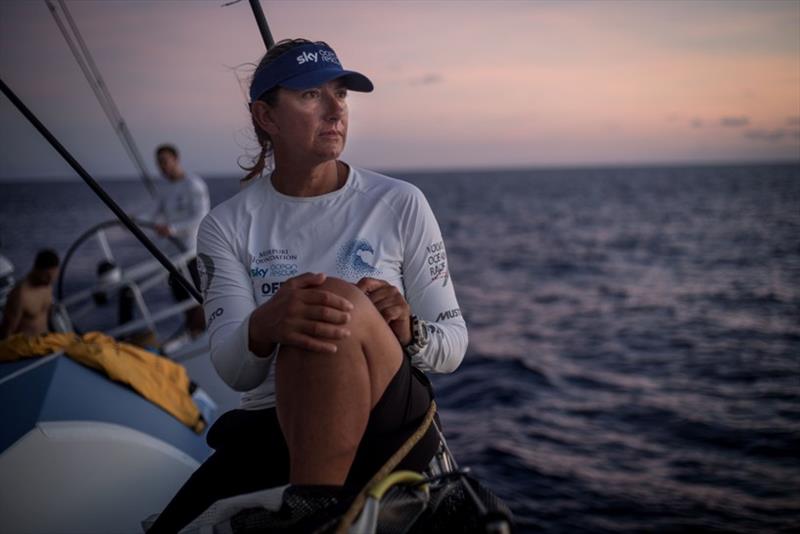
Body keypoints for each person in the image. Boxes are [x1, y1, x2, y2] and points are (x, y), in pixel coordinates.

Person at [148, 39, 467, 533]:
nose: (336, 107)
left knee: (330, 306)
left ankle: (313, 513)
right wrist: (267, 322)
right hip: (273, 428)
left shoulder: (400, 203)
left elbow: (453, 345)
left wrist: (409, 329)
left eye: (341, 93)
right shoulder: (226, 226)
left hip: (385, 413)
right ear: (266, 117)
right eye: (310, 95)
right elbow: (236, 372)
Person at [148, 144, 210, 336]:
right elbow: (153, 214)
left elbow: (200, 217)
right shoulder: (164, 189)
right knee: (184, 304)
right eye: (159, 163)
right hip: (171, 258)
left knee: (198, 301)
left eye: (165, 161)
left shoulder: (193, 184)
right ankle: (194, 338)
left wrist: (172, 229)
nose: (162, 167)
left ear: (176, 159)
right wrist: (130, 219)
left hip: (191, 254)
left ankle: (205, 339)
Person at [0, 249, 59, 339]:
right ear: (36, 269)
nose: (50, 280)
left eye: (54, 275)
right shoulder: (20, 295)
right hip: (27, 348)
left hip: (46, 341)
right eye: (47, 275)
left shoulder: (47, 285)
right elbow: (7, 332)